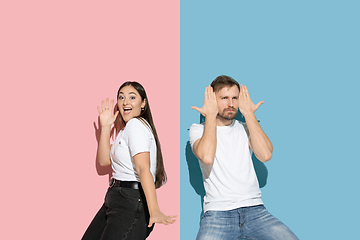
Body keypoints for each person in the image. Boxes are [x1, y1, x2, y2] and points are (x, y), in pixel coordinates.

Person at [189, 75, 298, 240]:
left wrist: (248, 114)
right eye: (224, 98)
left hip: (255, 210)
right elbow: (206, 156)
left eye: (235, 98)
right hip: (218, 213)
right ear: (212, 99)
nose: (231, 104)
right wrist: (210, 115)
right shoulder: (197, 130)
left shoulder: (246, 128)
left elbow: (266, 155)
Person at [82, 81, 176, 240]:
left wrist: (154, 210)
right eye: (121, 97)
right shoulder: (126, 131)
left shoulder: (135, 126)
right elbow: (105, 161)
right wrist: (105, 127)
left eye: (132, 97)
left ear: (143, 103)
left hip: (130, 201)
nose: (125, 101)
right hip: (116, 198)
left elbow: (143, 169)